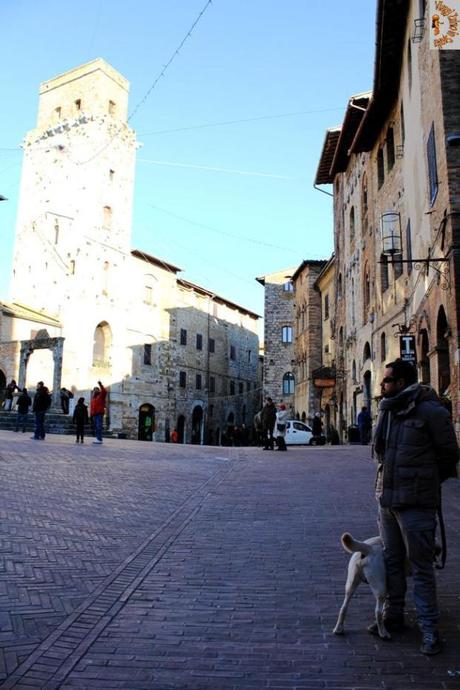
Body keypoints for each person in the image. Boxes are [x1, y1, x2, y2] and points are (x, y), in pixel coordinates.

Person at [371, 358, 459, 655]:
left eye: (386, 380)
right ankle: (393, 615)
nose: (381, 385)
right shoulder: (388, 410)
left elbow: (449, 455)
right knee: (392, 560)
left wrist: (426, 481)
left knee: (421, 567)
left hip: (417, 502)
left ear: (402, 382)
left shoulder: (431, 411)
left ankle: (430, 629)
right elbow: (381, 453)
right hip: (388, 499)